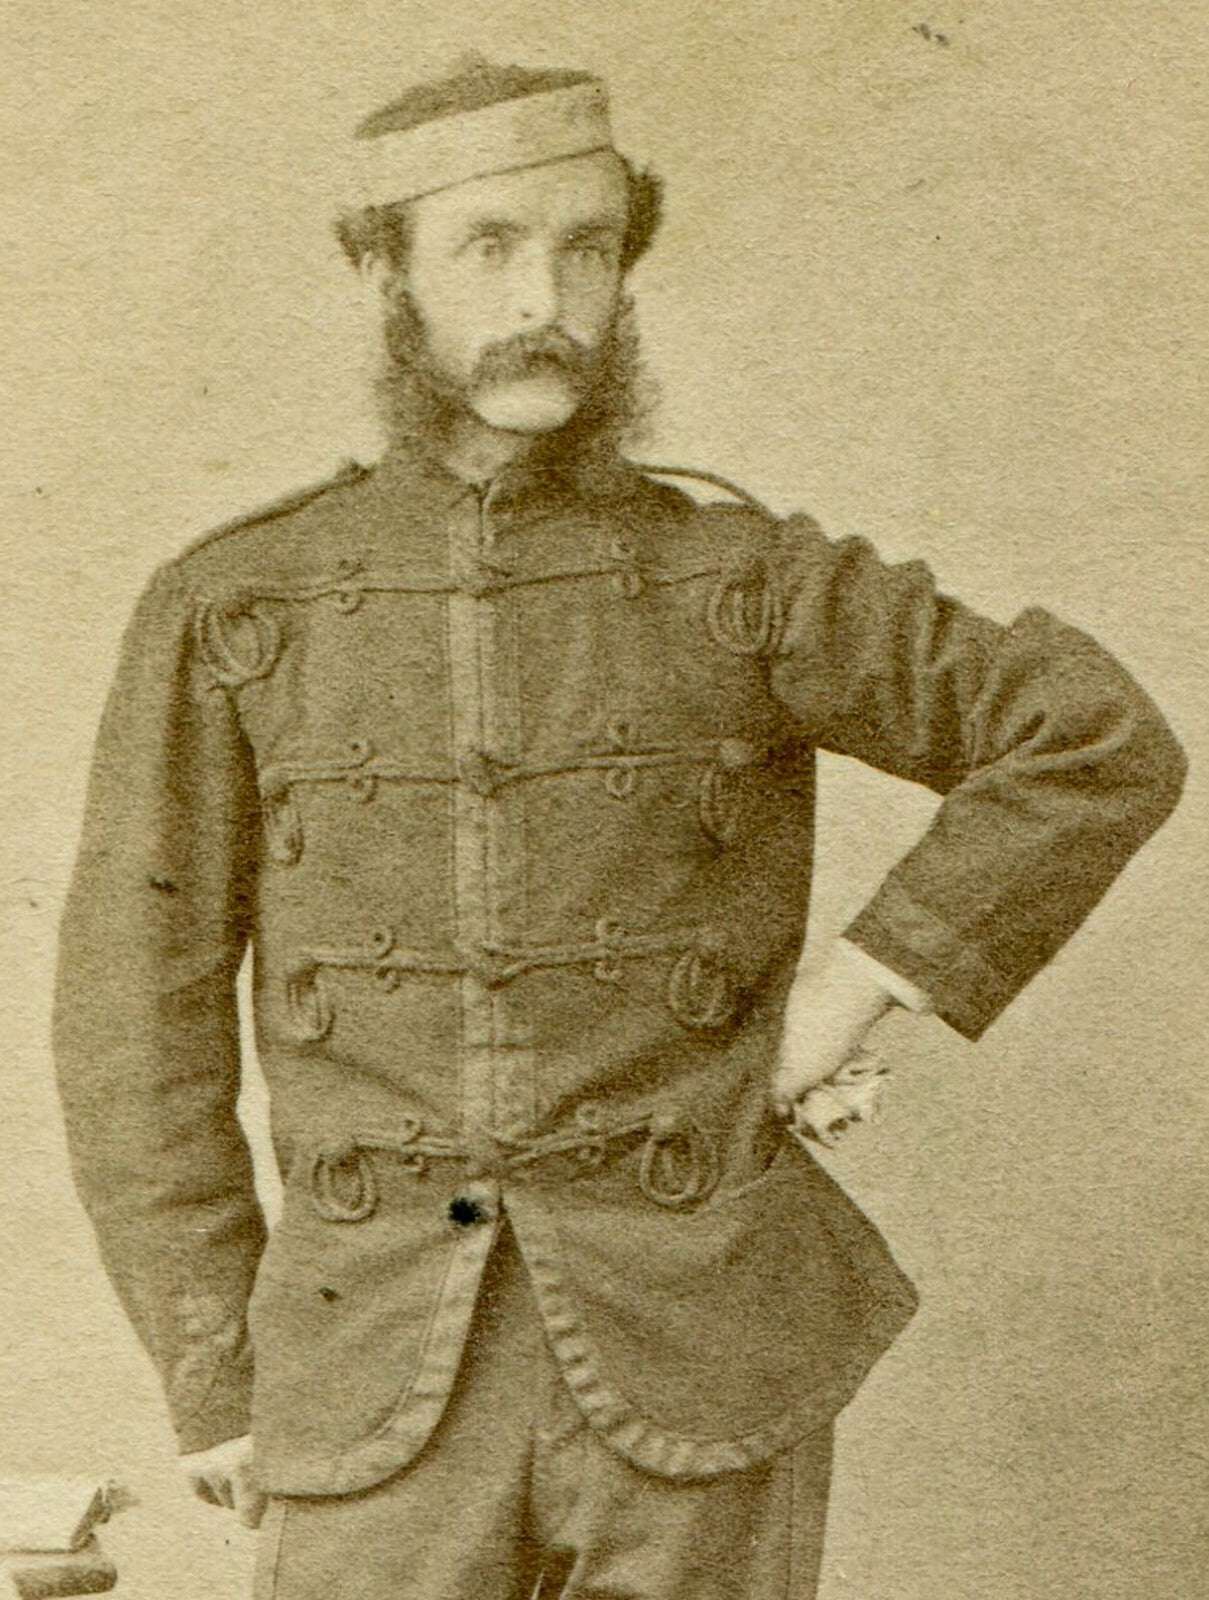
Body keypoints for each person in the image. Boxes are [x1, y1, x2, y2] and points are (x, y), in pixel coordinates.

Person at [53, 58, 1186, 1600]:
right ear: (382, 270)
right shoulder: (235, 602)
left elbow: (1091, 733)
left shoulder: (744, 577)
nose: (551, 298)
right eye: (492, 246)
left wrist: (847, 994)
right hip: (364, 1365)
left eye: (589, 247)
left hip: (698, 1356)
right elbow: (135, 1019)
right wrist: (212, 1366)